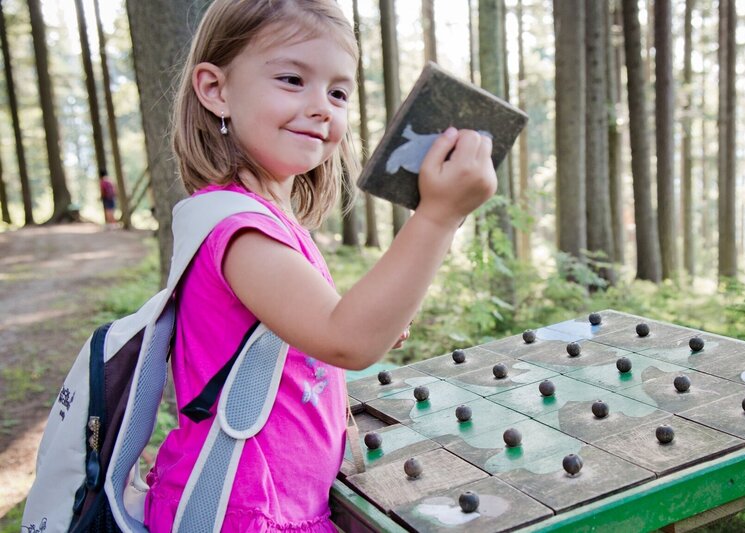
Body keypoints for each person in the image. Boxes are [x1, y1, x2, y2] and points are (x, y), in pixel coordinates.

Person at [142, 1, 496, 531]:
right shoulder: (238, 228)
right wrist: (439, 216)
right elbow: (345, 340)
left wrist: (368, 317)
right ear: (215, 89)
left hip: (283, 502)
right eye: (291, 79)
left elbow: (318, 329)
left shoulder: (269, 220)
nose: (322, 107)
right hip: (244, 512)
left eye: (338, 92)